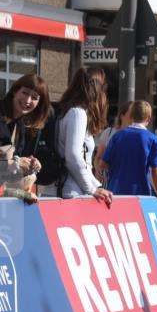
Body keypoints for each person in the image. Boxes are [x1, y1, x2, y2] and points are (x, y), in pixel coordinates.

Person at [55, 66, 113, 207]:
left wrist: (96, 186)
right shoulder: (78, 114)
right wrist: (92, 188)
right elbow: (74, 156)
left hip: (67, 189)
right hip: (70, 192)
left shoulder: (67, 111)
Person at [100, 100, 157, 198]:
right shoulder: (154, 140)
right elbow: (156, 170)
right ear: (149, 118)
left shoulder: (117, 137)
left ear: (131, 116)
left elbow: (103, 164)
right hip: (141, 195)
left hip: (115, 193)